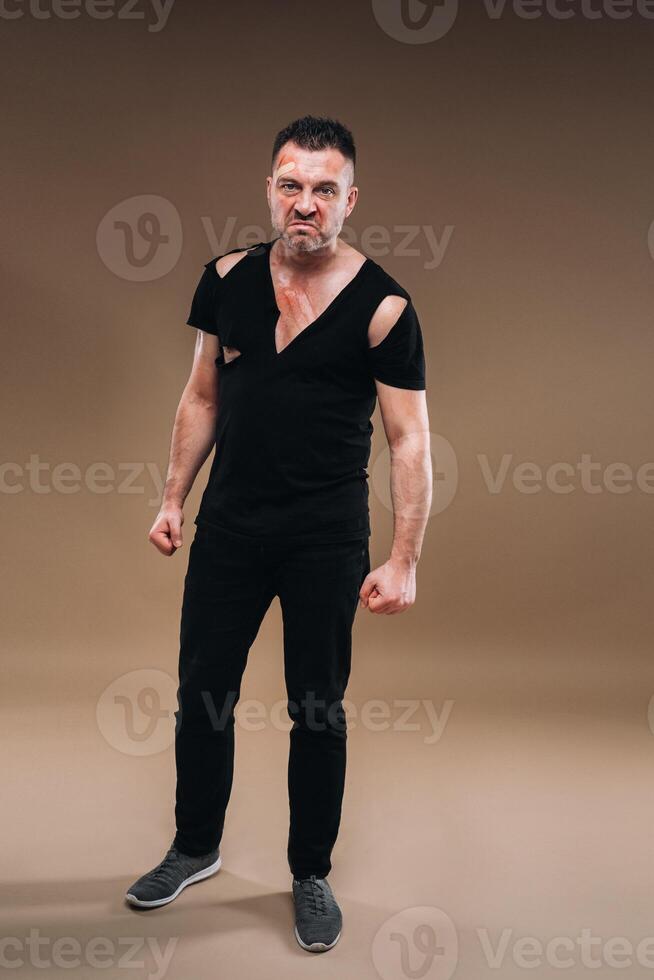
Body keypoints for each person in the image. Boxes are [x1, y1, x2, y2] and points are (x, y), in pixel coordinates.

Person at [125, 115, 432, 953]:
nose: (306, 203)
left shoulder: (385, 306)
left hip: (325, 540)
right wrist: (171, 500)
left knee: (317, 709)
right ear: (270, 189)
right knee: (202, 695)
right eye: (291, 185)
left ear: (350, 200)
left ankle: (310, 873)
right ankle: (194, 847)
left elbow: (409, 440)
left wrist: (402, 559)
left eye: (324, 189)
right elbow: (201, 396)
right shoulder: (224, 278)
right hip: (231, 528)